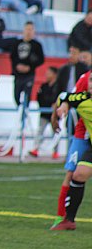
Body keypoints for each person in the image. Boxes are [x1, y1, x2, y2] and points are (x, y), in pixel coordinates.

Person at [51, 74, 92, 231]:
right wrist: (60, 109)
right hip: (88, 141)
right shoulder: (82, 98)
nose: (91, 84)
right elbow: (64, 96)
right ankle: (68, 219)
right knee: (77, 175)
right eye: (91, 80)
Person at [9, 22, 44, 106]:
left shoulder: (37, 45)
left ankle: (26, 111)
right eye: (27, 29)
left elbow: (41, 59)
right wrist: (17, 66)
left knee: (27, 93)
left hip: (29, 74)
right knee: (16, 94)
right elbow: (12, 57)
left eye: (31, 29)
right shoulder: (16, 43)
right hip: (18, 75)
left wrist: (30, 67)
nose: (29, 32)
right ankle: (18, 111)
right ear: (24, 30)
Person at [30, 66, 59, 158]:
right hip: (44, 113)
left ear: (54, 74)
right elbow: (39, 98)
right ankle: (36, 148)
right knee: (40, 131)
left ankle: (55, 152)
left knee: (55, 132)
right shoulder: (44, 86)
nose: (46, 75)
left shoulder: (58, 86)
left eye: (49, 73)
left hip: (54, 114)